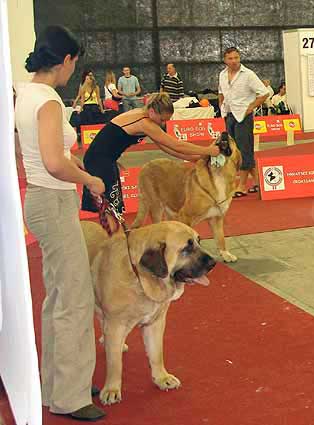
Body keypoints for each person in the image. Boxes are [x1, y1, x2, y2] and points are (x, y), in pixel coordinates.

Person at [15, 25, 107, 421]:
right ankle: (69, 395)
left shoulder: (23, 93)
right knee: (74, 297)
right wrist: (89, 179)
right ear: (66, 60)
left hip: (42, 198)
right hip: (52, 200)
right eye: (75, 63)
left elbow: (31, 155)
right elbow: (55, 161)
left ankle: (56, 382)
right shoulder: (48, 100)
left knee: (58, 296)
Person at [81, 93, 220, 214]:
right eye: (162, 120)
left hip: (105, 159)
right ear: (152, 112)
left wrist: (196, 158)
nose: (163, 124)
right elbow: (176, 144)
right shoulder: (145, 122)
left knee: (113, 204)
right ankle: (113, 237)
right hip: (99, 160)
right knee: (109, 205)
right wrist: (209, 151)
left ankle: (114, 235)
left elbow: (167, 148)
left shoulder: (145, 116)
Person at [218, 47, 268, 197]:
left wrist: (251, 107)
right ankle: (260, 183)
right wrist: (221, 107)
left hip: (243, 117)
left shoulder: (249, 75)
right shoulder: (222, 74)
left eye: (236, 58)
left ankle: (241, 186)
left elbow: (264, 93)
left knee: (244, 151)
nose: (234, 61)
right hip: (229, 116)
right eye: (230, 58)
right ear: (225, 60)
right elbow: (221, 91)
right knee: (233, 151)